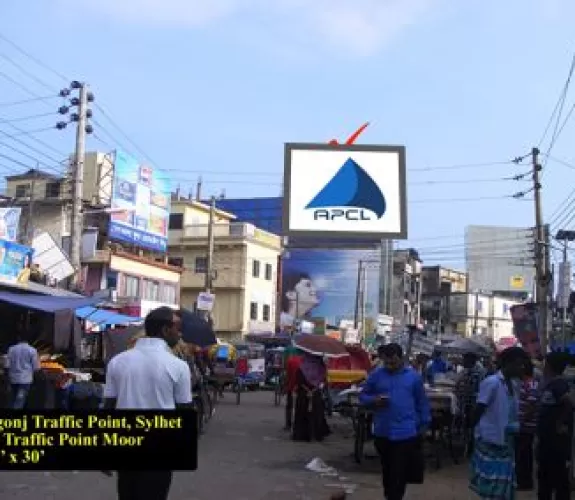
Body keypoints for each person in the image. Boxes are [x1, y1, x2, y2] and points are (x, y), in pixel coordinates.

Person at [102, 306, 192, 500]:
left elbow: (109, 408)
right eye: (178, 327)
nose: (180, 332)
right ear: (165, 330)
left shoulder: (118, 362)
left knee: (127, 495)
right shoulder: (178, 366)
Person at [360, 343, 431, 500]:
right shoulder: (377, 375)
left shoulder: (413, 377)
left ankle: (395, 496)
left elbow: (422, 403)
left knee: (399, 471)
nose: (390, 366)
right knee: (387, 470)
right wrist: (374, 400)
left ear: (401, 358)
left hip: (406, 432)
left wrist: (423, 425)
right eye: (387, 362)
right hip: (383, 431)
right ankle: (390, 495)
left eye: (393, 362)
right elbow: (363, 396)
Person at [469, 346, 527, 500]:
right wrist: (471, 435)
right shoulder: (492, 382)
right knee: (492, 486)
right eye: (519, 364)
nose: (521, 368)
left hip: (507, 441)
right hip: (491, 440)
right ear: (508, 363)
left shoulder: (514, 385)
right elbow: (479, 409)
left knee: (503, 484)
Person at [537, 352, 573, 500]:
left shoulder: (559, 384)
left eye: (545, 364)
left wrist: (560, 423)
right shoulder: (550, 383)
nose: (543, 367)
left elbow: (569, 403)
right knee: (545, 475)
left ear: (550, 366)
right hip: (547, 438)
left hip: (555, 441)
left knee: (557, 476)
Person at [292, 354, 330, 442]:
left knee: (302, 414)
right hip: (316, 395)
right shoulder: (321, 368)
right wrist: (314, 390)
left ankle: (301, 435)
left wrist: (307, 390)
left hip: (303, 395)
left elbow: (298, 381)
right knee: (316, 415)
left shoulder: (301, 368)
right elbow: (324, 382)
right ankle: (315, 435)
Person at [515, 358, 539, 491]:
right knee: (524, 455)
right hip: (525, 426)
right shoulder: (526, 383)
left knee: (524, 455)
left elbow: (532, 405)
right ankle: (524, 481)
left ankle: (525, 482)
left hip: (526, 427)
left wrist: (521, 420)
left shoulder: (530, 384)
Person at [455, 352, 484, 455]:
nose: (463, 362)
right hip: (467, 402)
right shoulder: (467, 371)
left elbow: (473, 389)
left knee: (472, 425)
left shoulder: (477, 372)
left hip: (474, 403)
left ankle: (471, 447)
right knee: (467, 425)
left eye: (464, 360)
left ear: (470, 360)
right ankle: (468, 445)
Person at [7, 330, 41, 409]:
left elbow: (7, 365)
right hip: (25, 380)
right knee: (20, 401)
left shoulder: (11, 349)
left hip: (13, 379)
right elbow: (37, 367)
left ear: (18, 338)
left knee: (13, 400)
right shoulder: (32, 350)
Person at [283, 345, 303, 430]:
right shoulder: (306, 362)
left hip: (292, 387)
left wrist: (286, 386)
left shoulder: (291, 361)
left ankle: (288, 424)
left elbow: (288, 376)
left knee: (289, 406)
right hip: (303, 388)